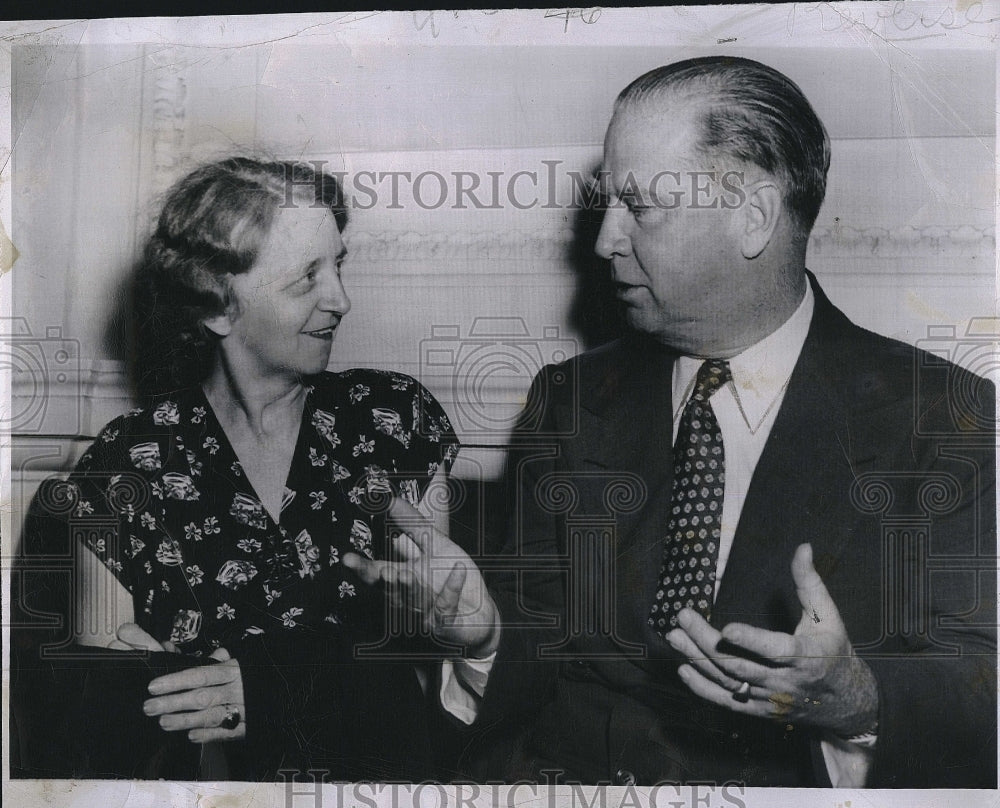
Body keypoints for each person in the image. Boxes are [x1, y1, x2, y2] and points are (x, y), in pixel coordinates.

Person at [346, 56, 997, 787]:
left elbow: (981, 693)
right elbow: (535, 659)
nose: (605, 242)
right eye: (605, 204)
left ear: (753, 217)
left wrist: (856, 702)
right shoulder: (569, 401)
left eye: (640, 206)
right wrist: (481, 638)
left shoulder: (943, 419)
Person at [12, 157, 460, 780]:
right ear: (217, 308)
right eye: (307, 278)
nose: (341, 299)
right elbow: (108, 726)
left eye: (338, 264)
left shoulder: (394, 422)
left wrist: (274, 688)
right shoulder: (124, 468)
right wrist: (139, 689)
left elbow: (436, 655)